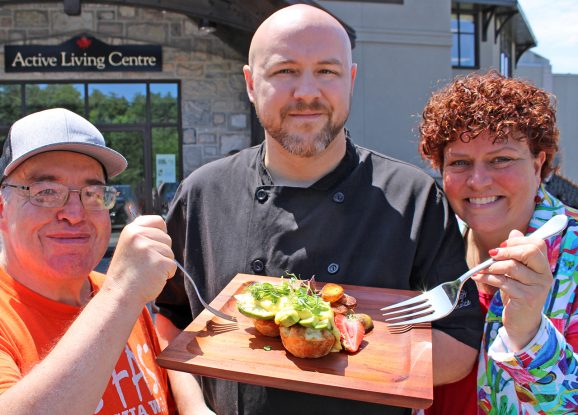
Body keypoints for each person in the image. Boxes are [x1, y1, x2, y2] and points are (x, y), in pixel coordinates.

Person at [156, 4, 484, 415]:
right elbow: (170, 314)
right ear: (251, 83)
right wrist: (192, 407)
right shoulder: (203, 193)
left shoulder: (412, 197)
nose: (307, 92)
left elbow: (459, 344)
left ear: (351, 80)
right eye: (285, 71)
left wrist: (339, 340)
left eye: (326, 71)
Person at [0, 108, 178, 415]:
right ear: (0, 210)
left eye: (92, 194)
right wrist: (121, 294)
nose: (75, 214)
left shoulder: (119, 295)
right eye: (47, 192)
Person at [419, 71, 578, 414]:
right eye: (460, 162)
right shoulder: (427, 246)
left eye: (501, 160)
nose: (478, 181)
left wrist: (532, 334)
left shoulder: (574, 257)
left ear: (539, 164)